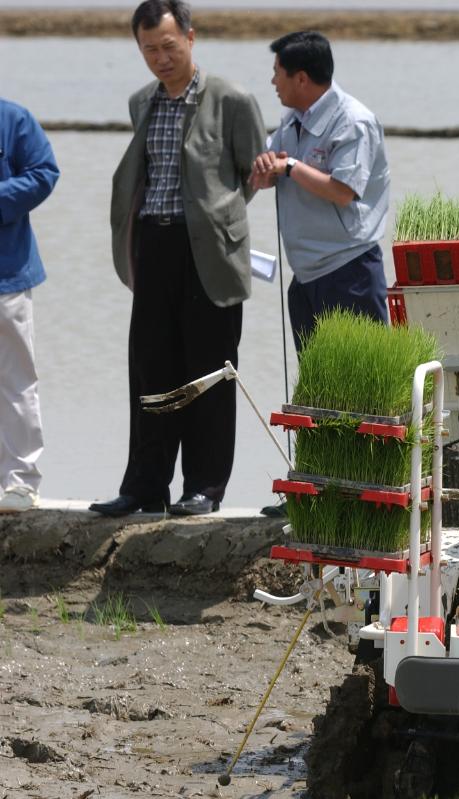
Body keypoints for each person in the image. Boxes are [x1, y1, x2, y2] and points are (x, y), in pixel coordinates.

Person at [92, 0, 264, 518]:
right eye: (149, 49)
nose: (160, 58)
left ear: (191, 38)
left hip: (207, 250)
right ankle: (144, 486)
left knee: (209, 372)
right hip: (154, 244)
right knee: (150, 369)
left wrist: (213, 223)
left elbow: (249, 176)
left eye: (168, 46)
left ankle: (204, 488)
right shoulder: (142, 100)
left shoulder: (232, 99)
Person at [249, 30, 390, 351]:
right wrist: (266, 168)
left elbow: (342, 191)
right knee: (318, 391)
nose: (272, 82)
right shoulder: (291, 121)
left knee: (364, 386)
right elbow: (266, 169)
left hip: (348, 274)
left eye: (276, 73)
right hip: (305, 276)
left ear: (300, 79)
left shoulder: (353, 122)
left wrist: (290, 167)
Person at [0, 99, 59, 514]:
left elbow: (44, 173)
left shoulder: (13, 118)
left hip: (7, 274)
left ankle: (20, 482)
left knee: (17, 382)